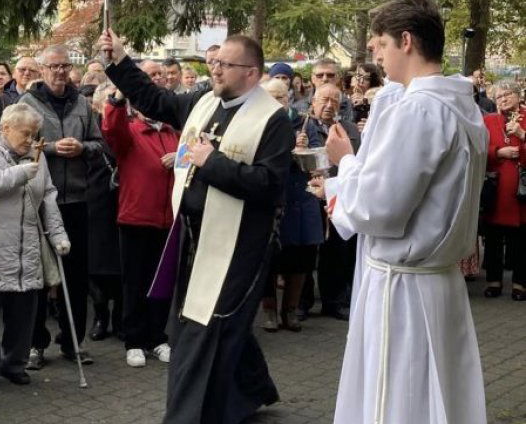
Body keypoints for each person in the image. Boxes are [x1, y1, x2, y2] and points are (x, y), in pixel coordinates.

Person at [100, 30, 290, 423]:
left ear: (252, 74)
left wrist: (212, 161)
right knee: (214, 320)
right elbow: (154, 99)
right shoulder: (204, 102)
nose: (215, 70)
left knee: (208, 328)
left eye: (225, 65)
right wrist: (120, 59)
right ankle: (252, 390)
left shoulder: (272, 119)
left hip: (238, 244)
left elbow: (269, 186)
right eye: (214, 63)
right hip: (191, 234)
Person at [320, 0, 488, 424]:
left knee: (398, 399)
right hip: (437, 279)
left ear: (406, 40)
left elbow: (382, 207)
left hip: (404, 288)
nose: (375, 53)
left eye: (379, 42)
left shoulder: (421, 110)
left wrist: (344, 163)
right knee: (436, 395)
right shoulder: (458, 102)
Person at [0, 103, 69, 391]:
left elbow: (48, 196)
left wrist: (58, 235)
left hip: (28, 246)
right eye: (26, 133)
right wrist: (21, 173)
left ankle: (15, 363)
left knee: (23, 309)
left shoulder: (36, 156)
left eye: (35, 134)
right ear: (6, 128)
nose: (31, 140)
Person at [19, 44, 104, 367]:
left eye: (64, 66)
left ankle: (72, 341)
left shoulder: (82, 103)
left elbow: (99, 144)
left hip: (78, 199)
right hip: (42, 199)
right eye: (53, 66)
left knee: (76, 274)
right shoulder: (28, 103)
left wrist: (82, 147)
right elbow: (19, 145)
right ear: (41, 70)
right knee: (39, 275)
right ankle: (36, 344)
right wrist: (53, 148)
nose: (59, 72)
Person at [100, 81, 179, 366]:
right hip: (136, 217)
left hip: (168, 219)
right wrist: (119, 97)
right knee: (135, 281)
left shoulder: (174, 132)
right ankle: (134, 340)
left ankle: (157, 337)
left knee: (162, 283)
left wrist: (180, 157)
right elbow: (112, 130)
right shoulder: (131, 131)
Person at [258, 79, 319, 333]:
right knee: (269, 259)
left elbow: (319, 162)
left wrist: (304, 151)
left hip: (300, 200)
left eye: (281, 97)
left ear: (289, 98)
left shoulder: (306, 124)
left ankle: (291, 310)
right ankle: (270, 310)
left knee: (301, 259)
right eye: (270, 97)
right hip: (270, 200)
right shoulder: (259, 123)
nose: (276, 102)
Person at [300, 84, 361, 322]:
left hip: (338, 194)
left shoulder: (347, 129)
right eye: (324, 100)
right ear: (313, 101)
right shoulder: (303, 127)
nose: (328, 105)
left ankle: (334, 301)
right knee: (307, 252)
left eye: (334, 101)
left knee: (337, 252)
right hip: (308, 196)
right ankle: (302, 304)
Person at [481, 81, 526, 301]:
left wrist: (522, 134)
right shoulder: (488, 120)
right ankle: (494, 281)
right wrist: (499, 152)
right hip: (496, 190)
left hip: (522, 193)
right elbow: (479, 148)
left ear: (518, 96)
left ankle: (520, 284)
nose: (504, 99)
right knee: (493, 240)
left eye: (508, 94)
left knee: (521, 241)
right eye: (499, 96)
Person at [86, 84, 122, 343]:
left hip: (123, 202)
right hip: (95, 202)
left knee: (122, 264)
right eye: (109, 99)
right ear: (98, 105)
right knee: (96, 264)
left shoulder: (126, 127)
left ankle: (121, 318)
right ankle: (101, 317)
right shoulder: (91, 130)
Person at [0, 57, 41, 129]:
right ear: (14, 74)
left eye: (32, 70)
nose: (27, 73)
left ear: (39, 75)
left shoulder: (46, 98)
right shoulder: (2, 100)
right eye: (22, 69)